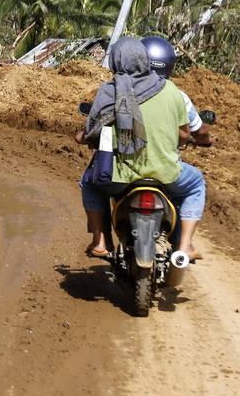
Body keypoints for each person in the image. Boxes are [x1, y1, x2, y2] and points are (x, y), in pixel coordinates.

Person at [75, 37, 209, 261]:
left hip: (119, 177)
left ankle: (100, 240)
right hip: (166, 173)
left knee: (89, 182)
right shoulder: (172, 91)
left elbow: (92, 132)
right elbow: (185, 134)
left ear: (115, 63)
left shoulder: (109, 91)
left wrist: (83, 137)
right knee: (196, 183)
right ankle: (184, 245)